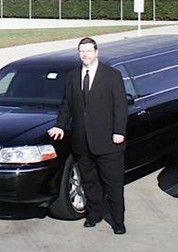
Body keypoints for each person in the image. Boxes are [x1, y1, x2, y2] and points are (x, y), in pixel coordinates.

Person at [48, 36, 128, 234]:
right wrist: (60, 125)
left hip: (108, 141)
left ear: (96, 52)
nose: (85, 55)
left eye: (89, 51)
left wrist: (119, 132)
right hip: (82, 141)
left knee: (113, 183)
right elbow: (67, 104)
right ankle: (94, 215)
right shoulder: (72, 76)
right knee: (89, 181)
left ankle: (118, 221)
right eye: (82, 51)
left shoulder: (112, 75)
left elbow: (120, 107)